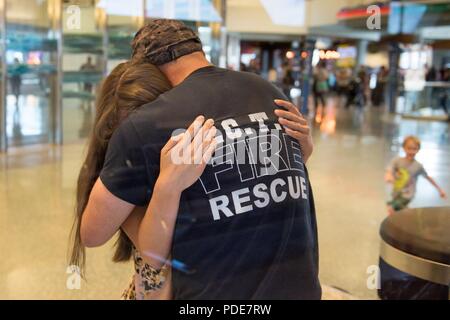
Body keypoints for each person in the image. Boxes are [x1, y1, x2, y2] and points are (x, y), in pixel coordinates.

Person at [80, 19, 320, 300]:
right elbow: (276, 179)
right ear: (198, 52)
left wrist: (159, 190)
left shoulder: (147, 123)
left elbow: (94, 234)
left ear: (146, 68)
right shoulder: (269, 93)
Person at [385, 136, 447, 215]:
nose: (411, 151)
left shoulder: (418, 166)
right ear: (403, 148)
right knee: (397, 208)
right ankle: (409, 213)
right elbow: (389, 170)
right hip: (396, 192)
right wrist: (389, 176)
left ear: (418, 149)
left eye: (414, 149)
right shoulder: (397, 161)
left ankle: (397, 223)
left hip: (407, 195)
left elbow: (428, 178)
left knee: (391, 208)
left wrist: (440, 190)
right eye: (409, 148)